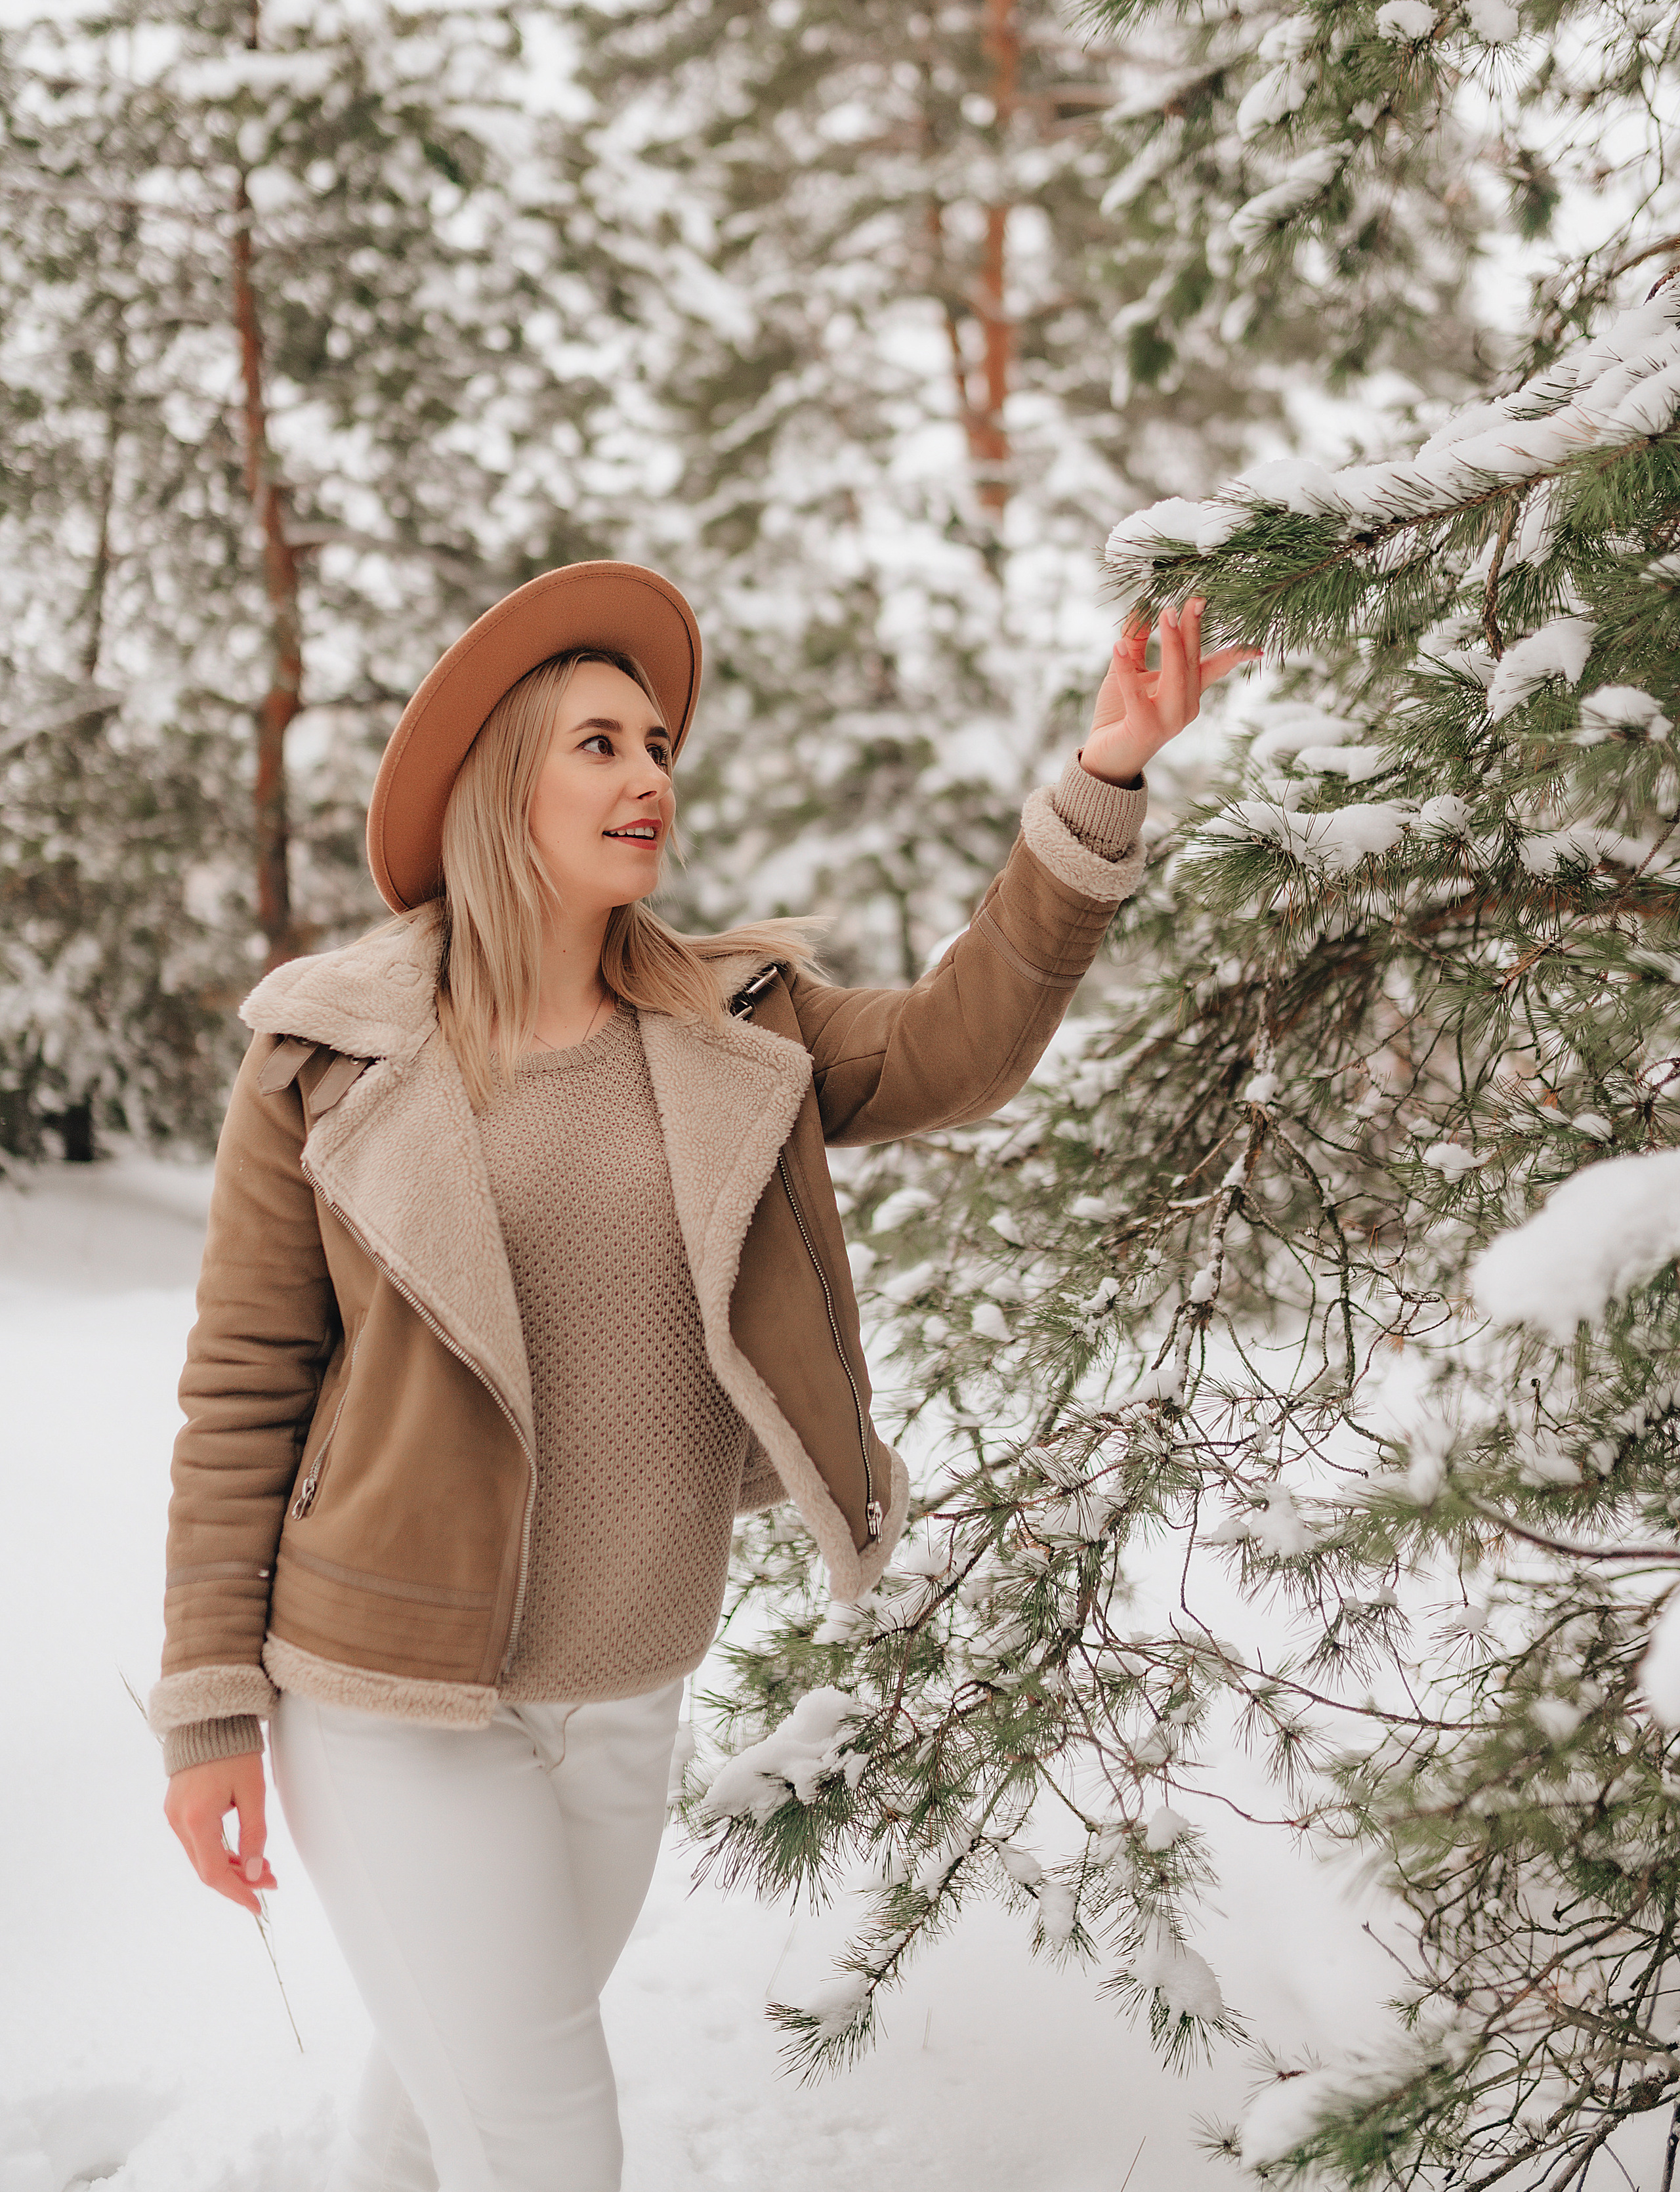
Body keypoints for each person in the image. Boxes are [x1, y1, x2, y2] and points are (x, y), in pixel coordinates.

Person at [150, 560, 1257, 2192]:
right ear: (495, 779)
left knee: (446, 2085)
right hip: (390, 1692)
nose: (649, 773)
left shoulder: (733, 1020)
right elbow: (242, 1383)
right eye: (597, 741)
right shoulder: (328, 1053)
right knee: (543, 2140)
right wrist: (205, 1714)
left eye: (657, 740)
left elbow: (959, 1044)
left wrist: (1101, 777)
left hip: (626, 1674)